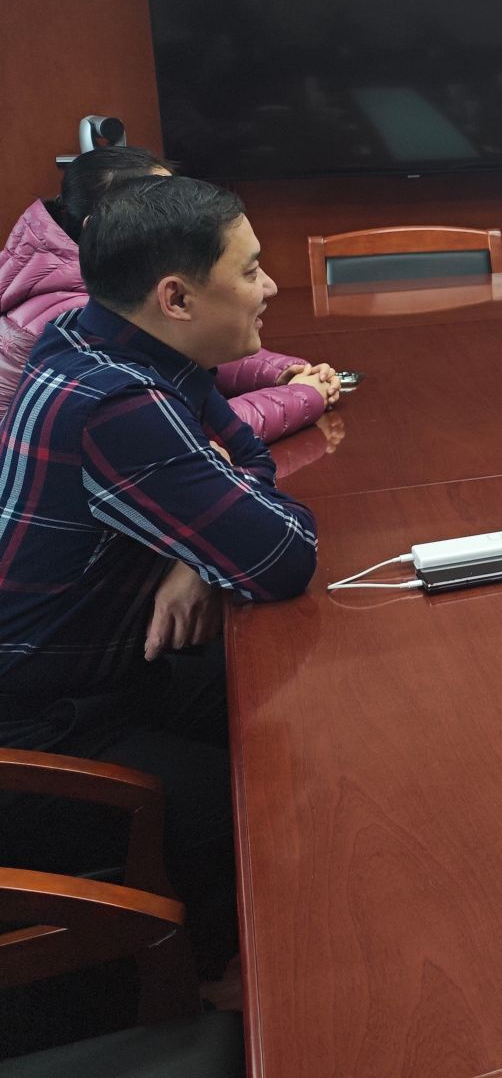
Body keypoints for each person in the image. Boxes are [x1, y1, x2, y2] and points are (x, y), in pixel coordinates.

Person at [0, 176, 319, 982]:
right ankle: (217, 986)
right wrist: (212, 544)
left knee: (289, 713)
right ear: (176, 297)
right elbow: (284, 557)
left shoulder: (103, 338)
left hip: (100, 669)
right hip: (39, 730)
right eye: (249, 270)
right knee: (258, 802)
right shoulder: (115, 404)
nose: (270, 287)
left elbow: (248, 457)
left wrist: (191, 553)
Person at [0, 145, 340, 435]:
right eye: (159, 202)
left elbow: (183, 354)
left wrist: (280, 371)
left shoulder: (84, 275)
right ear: (103, 225)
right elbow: (182, 433)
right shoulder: (79, 317)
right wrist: (302, 396)